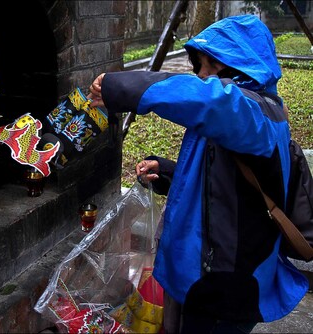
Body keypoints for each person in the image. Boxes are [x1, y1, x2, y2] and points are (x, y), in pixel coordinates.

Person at [88, 15, 308, 334]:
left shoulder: (256, 113)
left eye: (213, 66)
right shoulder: (233, 123)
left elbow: (208, 101)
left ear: (245, 68)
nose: (203, 75)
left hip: (225, 286)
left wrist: (118, 86)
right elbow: (222, 183)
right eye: (200, 65)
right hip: (202, 277)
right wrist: (166, 173)